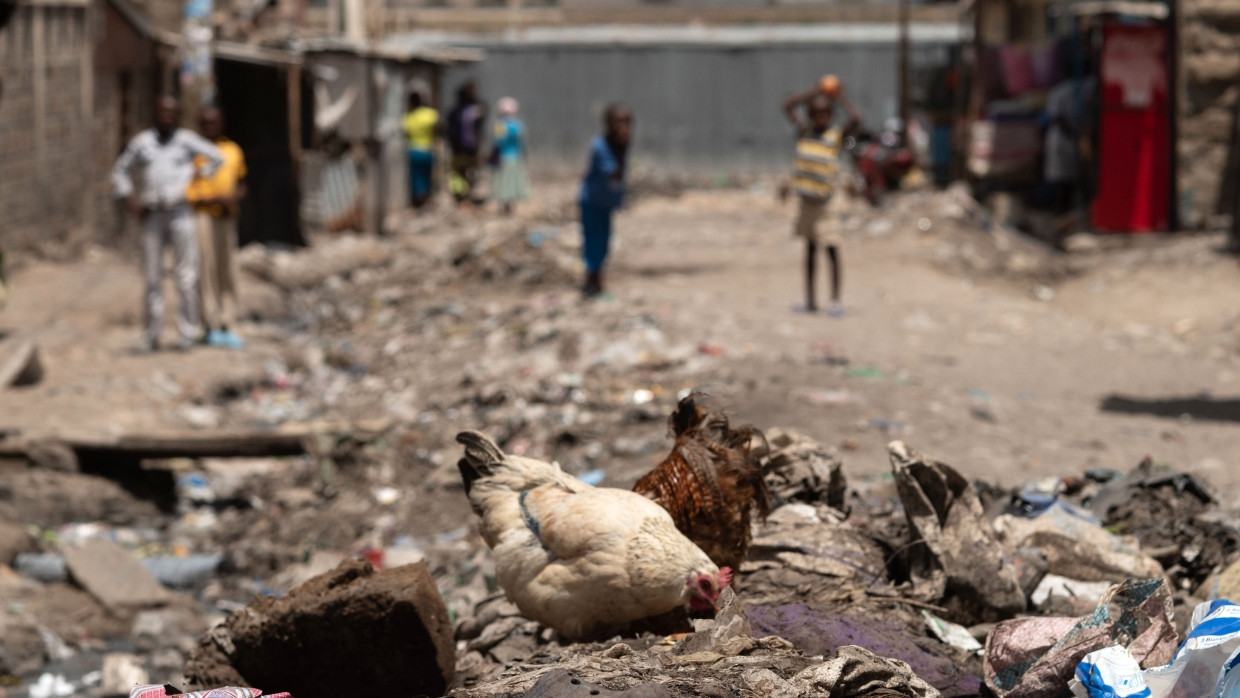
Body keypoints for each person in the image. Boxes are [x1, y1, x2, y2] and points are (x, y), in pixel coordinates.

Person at [113, 95, 223, 352]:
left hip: (180, 213)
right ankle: (151, 336)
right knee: (153, 278)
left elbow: (217, 157)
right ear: (155, 113)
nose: (167, 117)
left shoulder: (186, 140)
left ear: (178, 116)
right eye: (163, 112)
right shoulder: (143, 143)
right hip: (152, 215)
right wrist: (130, 200)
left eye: (172, 113)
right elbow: (120, 171)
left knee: (186, 276)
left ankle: (188, 333)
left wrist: (200, 176)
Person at [781, 80, 861, 317]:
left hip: (828, 202)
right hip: (807, 201)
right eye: (816, 113)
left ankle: (835, 301)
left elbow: (856, 119)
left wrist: (839, 96)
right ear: (810, 115)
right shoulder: (804, 132)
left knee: (832, 248)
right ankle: (810, 300)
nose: (820, 117)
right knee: (810, 249)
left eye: (825, 113)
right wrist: (816, 91)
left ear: (831, 115)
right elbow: (787, 105)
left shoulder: (836, 136)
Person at [186, 106, 247, 349]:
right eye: (205, 123)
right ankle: (209, 322)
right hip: (203, 215)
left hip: (226, 216)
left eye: (213, 122)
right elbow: (185, 185)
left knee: (227, 267)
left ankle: (227, 319)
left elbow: (242, 183)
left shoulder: (232, 150)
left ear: (221, 124)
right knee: (205, 267)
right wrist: (210, 199)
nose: (209, 127)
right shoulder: (193, 152)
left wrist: (232, 198)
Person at [578, 103, 633, 299]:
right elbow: (613, 173)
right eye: (619, 122)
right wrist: (622, 148)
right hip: (592, 201)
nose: (623, 127)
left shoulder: (620, 146)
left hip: (605, 202)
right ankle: (592, 282)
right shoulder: (601, 146)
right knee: (593, 241)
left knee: (604, 241)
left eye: (627, 122)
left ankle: (596, 279)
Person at [446, 82, 486, 206]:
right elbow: (451, 129)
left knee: (471, 171)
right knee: (459, 171)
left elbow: (479, 126)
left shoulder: (476, 109)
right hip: (458, 146)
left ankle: (468, 194)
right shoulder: (456, 111)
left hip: (472, 146)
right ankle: (459, 195)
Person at [490, 97, 531, 215]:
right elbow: (523, 143)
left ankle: (504, 207)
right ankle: (512, 206)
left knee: (503, 182)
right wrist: (525, 156)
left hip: (503, 157)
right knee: (514, 182)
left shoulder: (499, 125)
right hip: (516, 157)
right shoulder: (518, 125)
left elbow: (497, 142)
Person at [401, 88, 438, 209]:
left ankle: (418, 201)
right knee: (426, 176)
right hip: (427, 150)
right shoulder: (429, 114)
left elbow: (404, 132)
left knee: (415, 177)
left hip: (412, 151)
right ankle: (424, 200)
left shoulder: (407, 117)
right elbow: (440, 126)